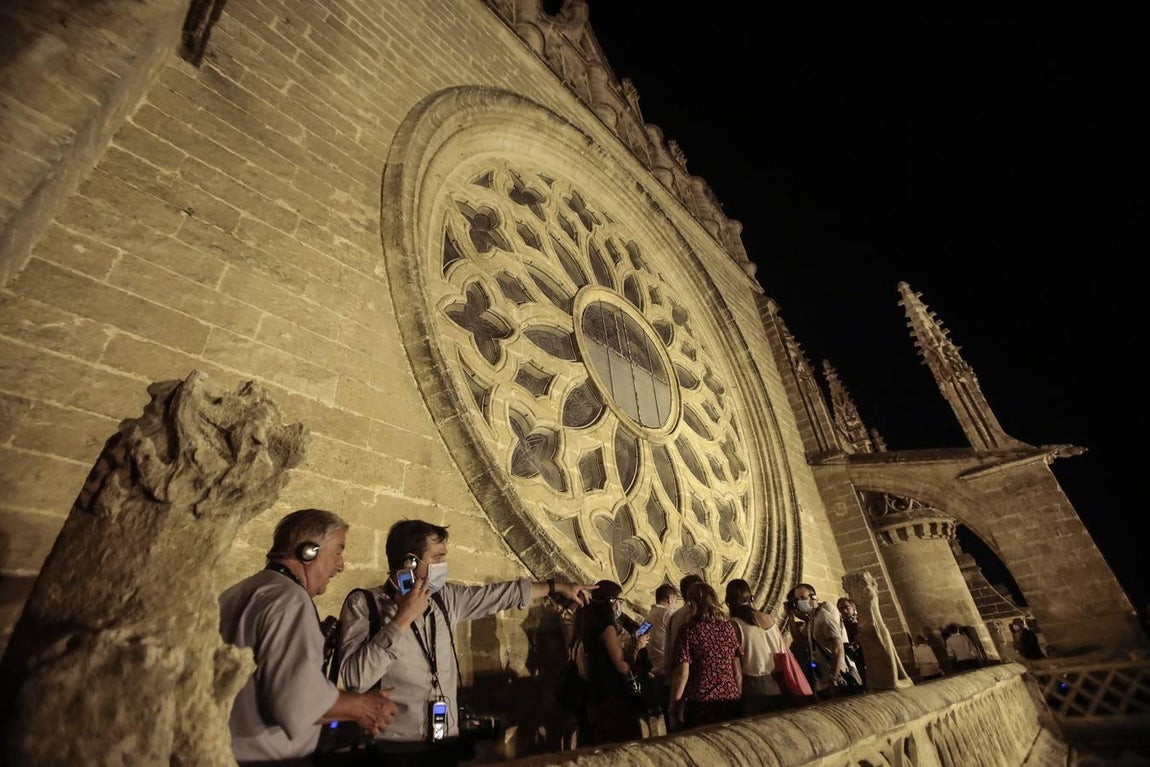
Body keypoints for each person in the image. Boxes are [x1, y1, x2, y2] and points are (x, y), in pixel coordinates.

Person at [335, 519, 595, 766]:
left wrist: (559, 587)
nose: (444, 564)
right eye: (437, 557)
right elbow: (355, 678)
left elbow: (500, 595)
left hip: (444, 744)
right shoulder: (365, 605)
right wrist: (403, 618)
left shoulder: (444, 598)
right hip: (393, 750)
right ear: (410, 563)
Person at [218, 508, 399, 766]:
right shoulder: (290, 601)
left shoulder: (238, 592)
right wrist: (364, 707)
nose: (341, 565)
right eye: (338, 551)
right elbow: (297, 702)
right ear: (308, 551)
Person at [579, 580, 649, 745]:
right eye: (620, 601)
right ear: (611, 601)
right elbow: (622, 666)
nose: (620, 606)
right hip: (611, 695)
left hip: (597, 692)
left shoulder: (589, 623)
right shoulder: (607, 627)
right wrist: (637, 646)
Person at [668, 582, 743, 730]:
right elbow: (737, 672)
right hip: (730, 700)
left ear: (692, 603)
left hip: (701, 703)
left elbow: (682, 674)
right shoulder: (729, 628)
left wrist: (674, 706)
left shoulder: (689, 630)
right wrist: (737, 695)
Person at [725, 579, 789, 715]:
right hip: (778, 681)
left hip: (754, 686)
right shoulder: (769, 618)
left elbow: (735, 668)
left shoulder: (733, 625)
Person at [790, 583, 862, 697]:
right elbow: (800, 642)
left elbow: (838, 648)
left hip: (834, 680)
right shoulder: (812, 620)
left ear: (814, 597)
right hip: (822, 681)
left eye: (803, 598)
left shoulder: (824, 617)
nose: (800, 602)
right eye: (798, 599)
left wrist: (835, 676)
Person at [645, 583, 679, 724]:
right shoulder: (668, 614)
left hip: (653, 673)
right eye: (675, 602)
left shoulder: (648, 617)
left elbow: (637, 636)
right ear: (670, 599)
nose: (675, 605)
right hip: (667, 674)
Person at [837, 596, 868, 690]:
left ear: (853, 607)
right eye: (841, 609)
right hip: (854, 658)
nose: (844, 611)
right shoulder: (841, 625)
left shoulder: (862, 620)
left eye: (847, 607)